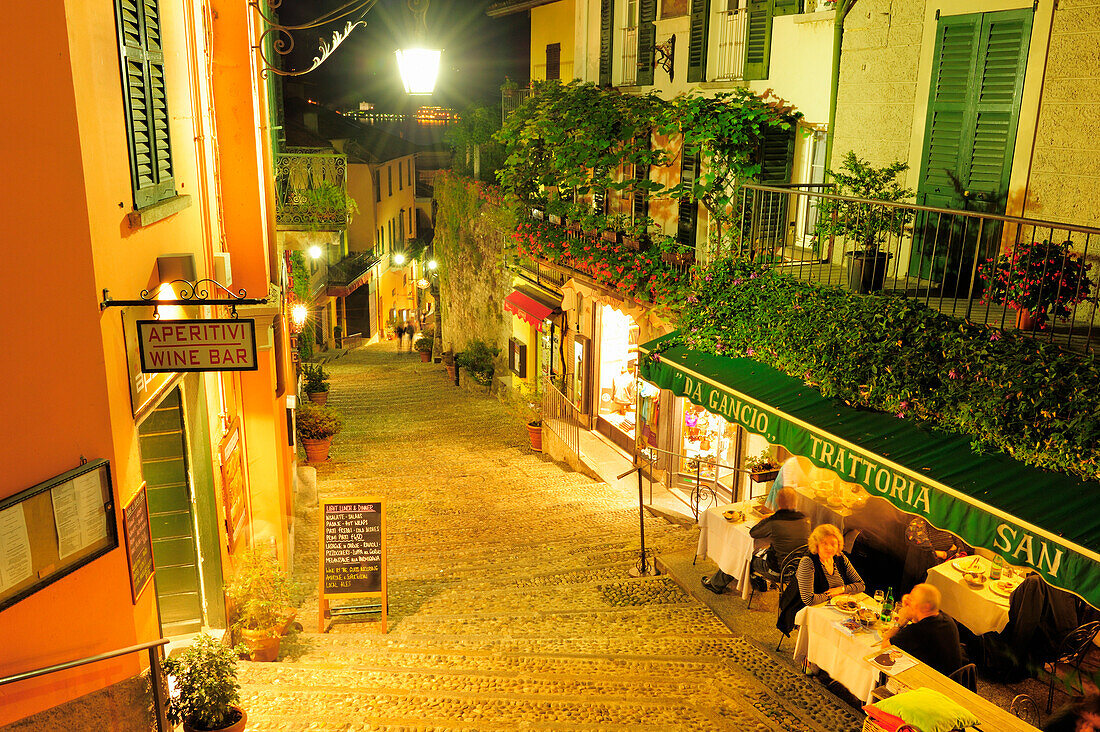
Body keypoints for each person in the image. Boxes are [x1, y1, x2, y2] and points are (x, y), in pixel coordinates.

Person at [703, 488, 809, 595]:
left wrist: (767, 518)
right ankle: (757, 580)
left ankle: (716, 584)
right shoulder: (804, 519)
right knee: (759, 550)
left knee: (741, 554)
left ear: (778, 502)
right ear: (795, 502)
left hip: (777, 571)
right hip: (797, 569)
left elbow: (754, 532)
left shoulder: (775, 521)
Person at [777, 523, 864, 635]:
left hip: (833, 608)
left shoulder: (840, 557)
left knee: (854, 629)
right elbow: (808, 600)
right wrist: (830, 595)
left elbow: (861, 584)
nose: (829, 548)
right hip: (803, 609)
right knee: (838, 632)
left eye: (833, 544)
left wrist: (841, 589)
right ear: (816, 545)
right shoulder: (808, 562)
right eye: (824, 543)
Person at [879, 583, 965, 676]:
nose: (908, 603)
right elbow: (918, 620)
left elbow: (884, 648)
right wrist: (911, 611)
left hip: (931, 683)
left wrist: (900, 622)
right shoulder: (946, 619)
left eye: (912, 600)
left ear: (926, 606)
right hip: (953, 679)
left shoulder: (918, 631)